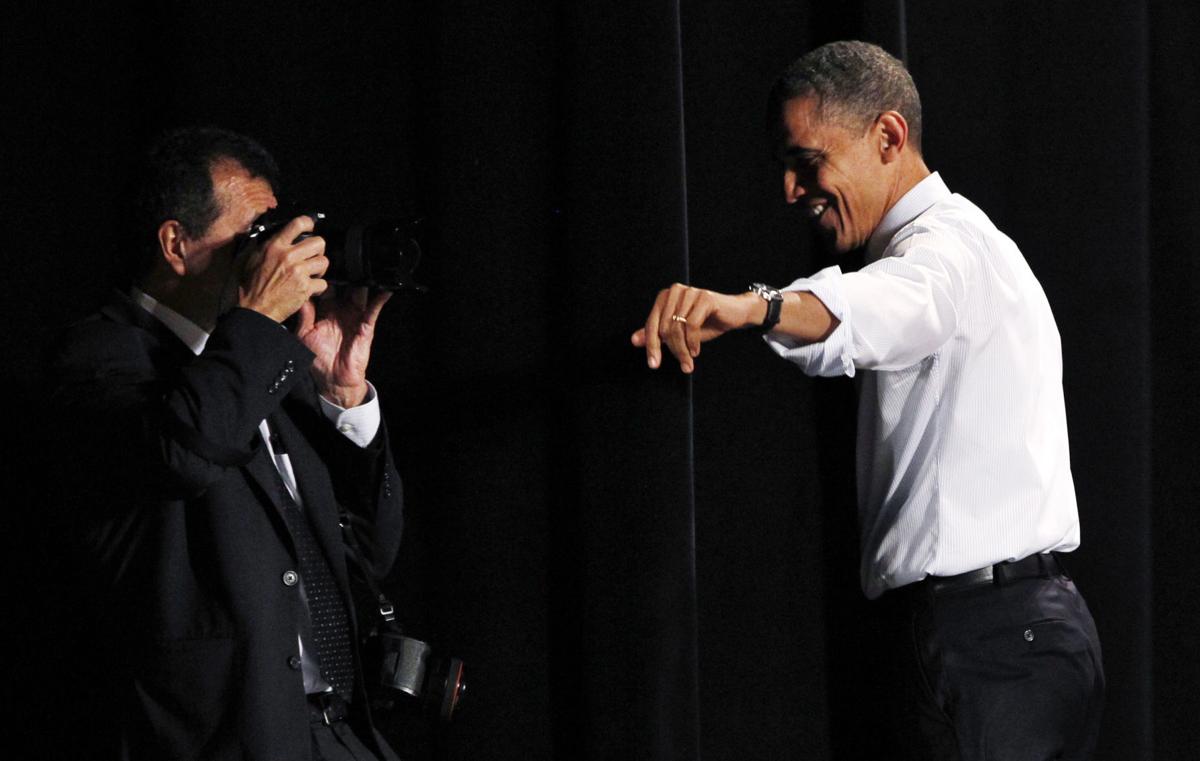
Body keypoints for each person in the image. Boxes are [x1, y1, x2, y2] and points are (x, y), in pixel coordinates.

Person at [632, 41, 1105, 760]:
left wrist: (754, 307)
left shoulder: (947, 251)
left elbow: (884, 309)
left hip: (987, 646)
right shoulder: (960, 247)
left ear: (888, 137)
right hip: (1023, 638)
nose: (791, 190)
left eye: (807, 161)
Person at [48, 126, 405, 761]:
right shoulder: (100, 357)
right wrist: (257, 324)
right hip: (229, 741)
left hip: (337, 736)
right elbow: (181, 453)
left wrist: (343, 394)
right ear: (176, 244)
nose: (272, 261)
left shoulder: (265, 365)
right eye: (253, 240)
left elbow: (371, 550)